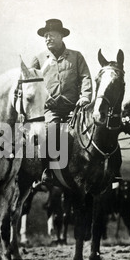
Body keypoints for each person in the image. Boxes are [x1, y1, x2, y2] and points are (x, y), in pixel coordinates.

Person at [30, 19, 92, 185]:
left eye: (51, 35)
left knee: (98, 129)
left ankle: (105, 169)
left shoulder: (76, 57)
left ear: (61, 36)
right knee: (51, 131)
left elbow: (85, 77)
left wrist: (85, 96)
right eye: (45, 36)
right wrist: (43, 98)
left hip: (76, 107)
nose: (47, 38)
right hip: (51, 109)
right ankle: (48, 170)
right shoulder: (38, 59)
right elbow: (31, 83)